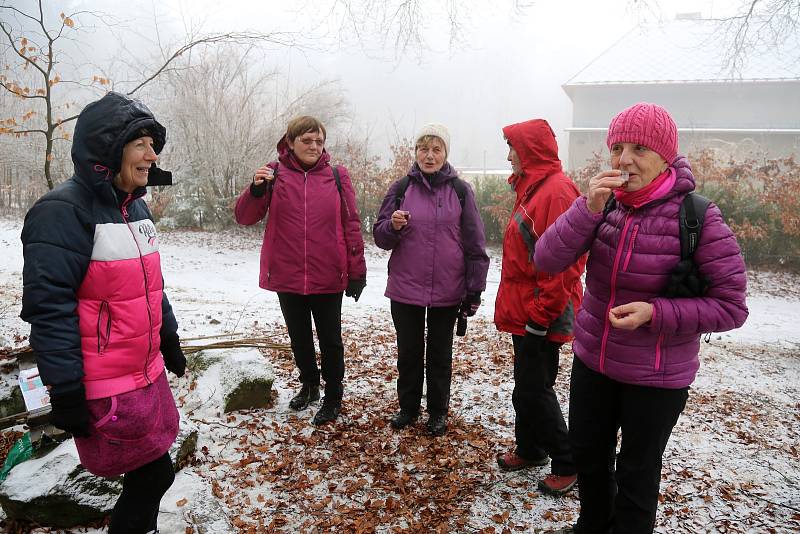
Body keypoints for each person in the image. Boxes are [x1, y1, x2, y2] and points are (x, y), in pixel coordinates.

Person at [534, 102, 748, 533]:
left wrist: (656, 313)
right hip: (594, 360)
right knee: (590, 458)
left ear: (665, 156)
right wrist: (587, 208)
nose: (624, 159)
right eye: (617, 147)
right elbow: (546, 258)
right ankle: (592, 525)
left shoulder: (699, 218)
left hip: (656, 376)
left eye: (639, 149)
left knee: (637, 472)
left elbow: (732, 306)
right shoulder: (606, 206)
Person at [20, 92, 186, 533]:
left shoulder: (134, 206)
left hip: (143, 373)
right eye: (142, 144)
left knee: (151, 475)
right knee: (155, 474)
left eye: (154, 145)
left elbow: (150, 285)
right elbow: (48, 308)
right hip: (104, 383)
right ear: (108, 150)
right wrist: (66, 389)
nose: (153, 156)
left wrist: (167, 337)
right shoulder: (62, 212)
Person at [234, 116, 366, 426]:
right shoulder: (274, 174)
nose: (314, 146)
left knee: (331, 340)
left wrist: (356, 270)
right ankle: (309, 385)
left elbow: (351, 223)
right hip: (288, 273)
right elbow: (244, 217)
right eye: (307, 140)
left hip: (328, 274)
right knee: (299, 337)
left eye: (319, 141)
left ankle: (333, 396)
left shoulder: (336, 176)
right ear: (290, 142)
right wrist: (255, 190)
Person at [373, 123, 489, 437]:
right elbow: (380, 237)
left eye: (436, 149)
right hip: (405, 288)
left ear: (445, 154)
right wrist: (392, 226)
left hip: (447, 290)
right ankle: (408, 408)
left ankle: (438, 412)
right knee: (408, 353)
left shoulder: (461, 191)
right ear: (416, 153)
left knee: (439, 356)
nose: (429, 155)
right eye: (423, 148)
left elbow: (475, 243)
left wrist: (474, 288)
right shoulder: (400, 189)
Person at [493, 119, 586, 496]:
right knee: (528, 384)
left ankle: (568, 461)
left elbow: (563, 265)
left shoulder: (557, 192)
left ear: (530, 150)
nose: (509, 154)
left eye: (513, 147)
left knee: (534, 387)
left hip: (544, 309)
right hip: (528, 306)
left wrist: (539, 317)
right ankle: (530, 448)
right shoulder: (534, 188)